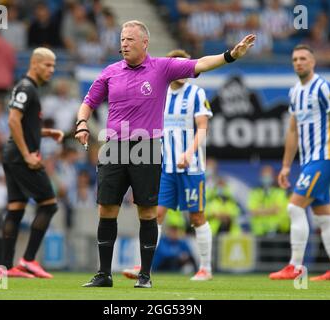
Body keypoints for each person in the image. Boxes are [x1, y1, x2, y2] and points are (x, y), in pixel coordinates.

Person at [75, 20, 255, 288]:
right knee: (106, 209)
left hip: (147, 147)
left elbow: (201, 64)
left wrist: (230, 55)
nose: (123, 44)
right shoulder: (110, 72)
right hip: (113, 147)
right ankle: (104, 274)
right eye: (122, 39)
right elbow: (88, 102)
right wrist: (81, 124)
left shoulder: (162, 68)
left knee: (148, 212)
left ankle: (145, 275)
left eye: (129, 40)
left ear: (144, 43)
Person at [123, 48, 213, 281]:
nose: (182, 70)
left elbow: (202, 127)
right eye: (177, 65)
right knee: (155, 215)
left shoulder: (196, 93)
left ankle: (205, 268)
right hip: (164, 168)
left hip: (191, 167)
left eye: (186, 65)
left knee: (196, 217)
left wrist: (189, 152)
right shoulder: (157, 94)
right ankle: (144, 267)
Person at [0, 48, 64, 279]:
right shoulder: (26, 87)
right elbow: (13, 120)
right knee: (49, 204)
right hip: (20, 156)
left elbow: (24, 124)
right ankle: (28, 260)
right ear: (34, 64)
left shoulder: (28, 88)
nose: (51, 70)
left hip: (11, 155)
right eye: (47, 65)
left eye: (54, 66)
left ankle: (6, 267)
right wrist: (27, 154)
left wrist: (45, 132)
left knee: (16, 209)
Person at [269, 44, 330, 281]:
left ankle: (295, 265)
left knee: (295, 207)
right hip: (308, 160)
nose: (298, 62)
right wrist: (286, 165)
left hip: (324, 156)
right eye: (295, 59)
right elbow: (293, 130)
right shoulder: (295, 91)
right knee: (324, 217)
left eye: (304, 58)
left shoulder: (323, 88)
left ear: (313, 62)